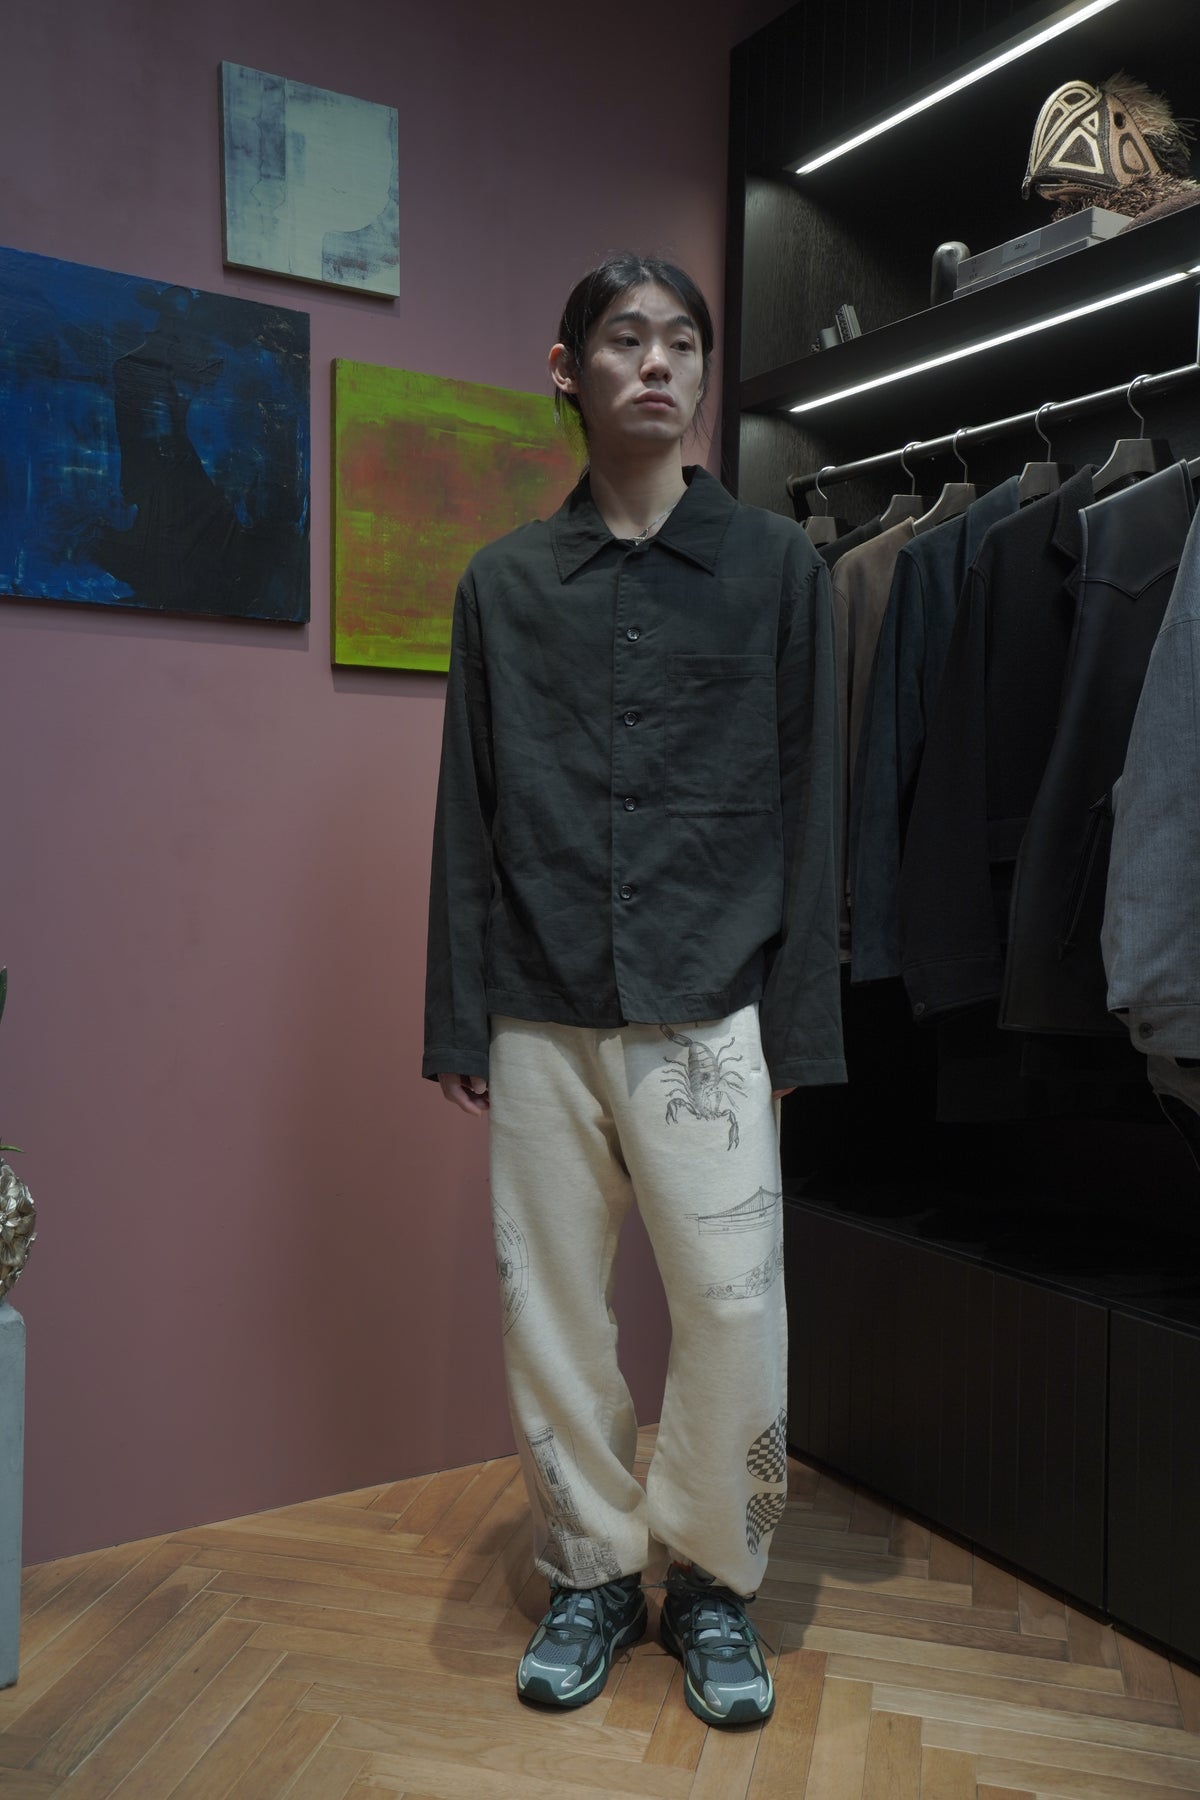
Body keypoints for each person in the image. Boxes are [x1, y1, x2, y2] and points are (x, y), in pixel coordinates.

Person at [423, 252, 845, 1727]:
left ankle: (713, 1582)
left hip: (711, 1009)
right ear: (570, 369)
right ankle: (592, 1571)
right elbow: (468, 812)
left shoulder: (780, 572)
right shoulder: (503, 587)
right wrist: (458, 1011)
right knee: (550, 1315)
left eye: (681, 341)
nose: (656, 363)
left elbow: (814, 807)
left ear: (704, 374)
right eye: (623, 338)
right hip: (538, 1004)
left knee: (732, 1308)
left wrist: (799, 1022)